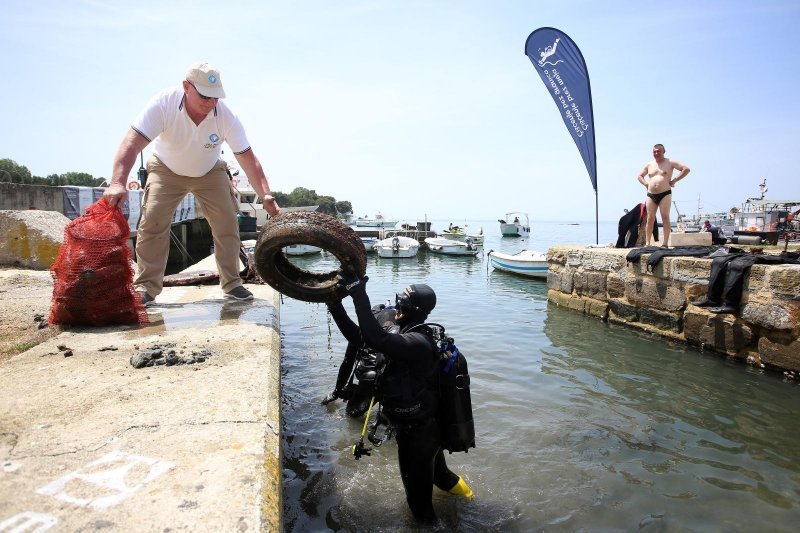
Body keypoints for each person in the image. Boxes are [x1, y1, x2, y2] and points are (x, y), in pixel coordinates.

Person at [103, 62, 280, 306]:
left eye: (216, 97)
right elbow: (131, 144)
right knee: (153, 221)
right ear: (186, 87)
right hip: (166, 169)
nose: (210, 103)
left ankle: (232, 283)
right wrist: (117, 182)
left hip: (210, 171)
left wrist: (266, 194)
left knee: (227, 221)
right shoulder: (163, 104)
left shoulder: (225, 116)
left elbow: (248, 160)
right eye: (205, 96)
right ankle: (147, 287)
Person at [327, 276, 473, 523]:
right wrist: (335, 305)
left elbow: (377, 339)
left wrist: (358, 294)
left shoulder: (418, 343)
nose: (396, 309)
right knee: (441, 477)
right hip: (428, 430)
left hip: (417, 436)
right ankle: (471, 502)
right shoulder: (405, 334)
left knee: (419, 506)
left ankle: (434, 526)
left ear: (412, 311)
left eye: (401, 305)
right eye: (397, 302)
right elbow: (360, 337)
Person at [637, 143, 690, 248]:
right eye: (654, 151)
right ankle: (648, 243)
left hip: (665, 193)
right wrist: (646, 184)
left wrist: (675, 180)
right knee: (650, 218)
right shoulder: (649, 165)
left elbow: (686, 169)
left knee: (665, 217)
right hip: (651, 194)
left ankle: (665, 243)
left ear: (663, 151)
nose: (656, 153)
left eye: (658, 151)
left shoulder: (670, 162)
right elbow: (639, 176)